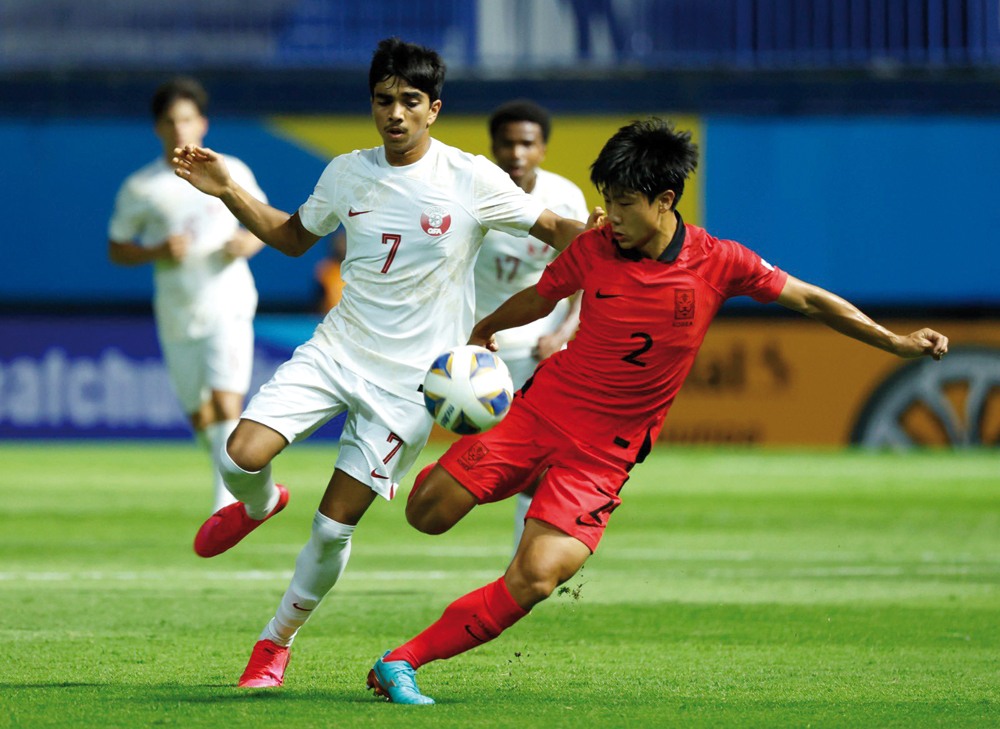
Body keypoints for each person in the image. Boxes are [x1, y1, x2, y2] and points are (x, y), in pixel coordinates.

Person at [365, 118, 950, 705]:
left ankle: (400, 662)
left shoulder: (719, 261)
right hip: (539, 414)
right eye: (608, 201)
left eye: (624, 203)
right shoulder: (594, 247)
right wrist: (485, 329)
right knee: (426, 515)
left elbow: (810, 300)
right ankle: (507, 473)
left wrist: (895, 341)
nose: (612, 216)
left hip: (602, 457)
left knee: (538, 576)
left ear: (665, 200)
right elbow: (541, 297)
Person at [169, 38, 592, 688]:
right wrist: (227, 189)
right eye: (383, 100)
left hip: (410, 385)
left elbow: (555, 229)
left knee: (331, 529)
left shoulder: (470, 177)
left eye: (410, 101)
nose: (395, 113)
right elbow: (292, 237)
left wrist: (602, 239)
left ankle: (274, 642)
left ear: (434, 108)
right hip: (338, 349)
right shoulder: (347, 172)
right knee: (239, 456)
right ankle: (258, 504)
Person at [109, 77, 267, 513]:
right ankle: (238, 477)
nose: (180, 129)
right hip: (177, 309)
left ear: (203, 123)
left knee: (226, 400)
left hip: (228, 299)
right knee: (200, 414)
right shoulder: (142, 187)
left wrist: (247, 242)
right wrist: (155, 251)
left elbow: (264, 223)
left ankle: (224, 505)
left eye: (187, 119)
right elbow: (117, 247)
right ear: (158, 127)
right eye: (171, 121)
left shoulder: (229, 169)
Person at [475, 100, 588, 552]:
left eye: (527, 143)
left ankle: (523, 559)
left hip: (540, 345)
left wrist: (562, 333)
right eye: (507, 143)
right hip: (475, 342)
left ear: (543, 149)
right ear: (494, 147)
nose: (516, 153)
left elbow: (585, 274)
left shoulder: (564, 198)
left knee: (538, 457)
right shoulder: (472, 192)